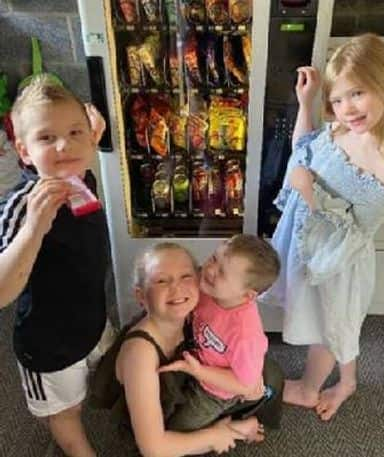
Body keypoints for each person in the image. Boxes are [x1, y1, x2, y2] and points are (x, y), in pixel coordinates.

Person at [261, 33, 384, 421]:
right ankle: (347, 381)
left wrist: (308, 192)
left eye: (357, 93)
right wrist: (306, 104)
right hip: (308, 244)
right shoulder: (339, 131)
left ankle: (310, 389)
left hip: (336, 262)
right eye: (338, 99)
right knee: (339, 324)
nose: (347, 108)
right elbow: (303, 151)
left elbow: (356, 231)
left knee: (330, 329)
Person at [0, 76, 113, 457]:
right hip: (46, 345)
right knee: (67, 413)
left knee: (95, 372)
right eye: (46, 138)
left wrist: (88, 130)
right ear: (24, 151)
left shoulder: (81, 173)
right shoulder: (22, 205)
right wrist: (33, 229)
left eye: (74, 132)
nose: (64, 145)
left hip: (90, 317)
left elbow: (76, 144)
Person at [112, 242, 262, 456]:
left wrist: (251, 378)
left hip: (189, 388)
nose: (177, 288)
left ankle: (233, 422)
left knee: (267, 377)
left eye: (186, 277)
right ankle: (233, 428)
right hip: (154, 429)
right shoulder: (141, 354)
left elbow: (242, 320)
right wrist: (216, 436)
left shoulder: (194, 309)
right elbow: (153, 449)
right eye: (162, 280)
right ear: (141, 296)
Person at [159, 234, 280, 432]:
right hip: (196, 358)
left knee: (177, 430)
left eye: (222, 273)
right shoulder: (209, 286)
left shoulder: (245, 335)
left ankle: (239, 429)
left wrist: (198, 371)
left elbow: (245, 386)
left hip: (215, 392)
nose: (210, 269)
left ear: (247, 295)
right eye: (214, 258)